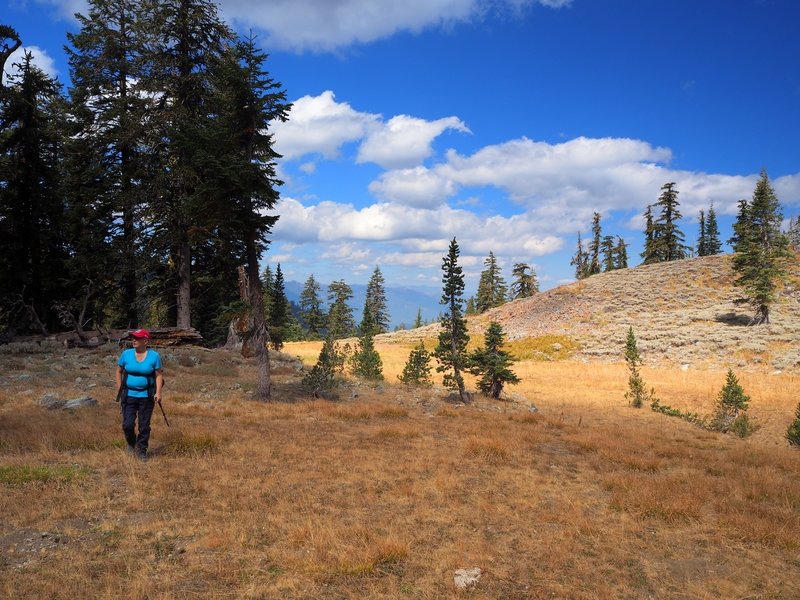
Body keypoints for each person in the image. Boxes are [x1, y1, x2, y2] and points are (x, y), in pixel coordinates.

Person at [116, 329, 164, 461]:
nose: (134, 340)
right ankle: (131, 443)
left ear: (145, 341)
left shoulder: (154, 356)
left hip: (146, 396)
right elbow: (118, 371)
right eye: (133, 338)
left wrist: (158, 392)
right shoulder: (126, 354)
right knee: (127, 424)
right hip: (129, 395)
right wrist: (120, 388)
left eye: (137, 338)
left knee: (144, 425)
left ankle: (142, 450)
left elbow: (159, 375)